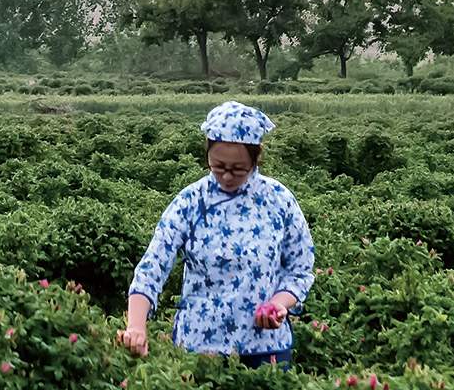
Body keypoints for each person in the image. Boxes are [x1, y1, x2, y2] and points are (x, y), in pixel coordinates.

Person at [120, 102, 316, 367]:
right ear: (207, 156)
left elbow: (300, 267)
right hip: (199, 348)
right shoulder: (191, 201)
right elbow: (153, 266)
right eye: (218, 166)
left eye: (238, 169)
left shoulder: (278, 200)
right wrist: (136, 327)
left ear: (256, 159)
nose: (226, 176)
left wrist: (279, 304)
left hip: (265, 347)